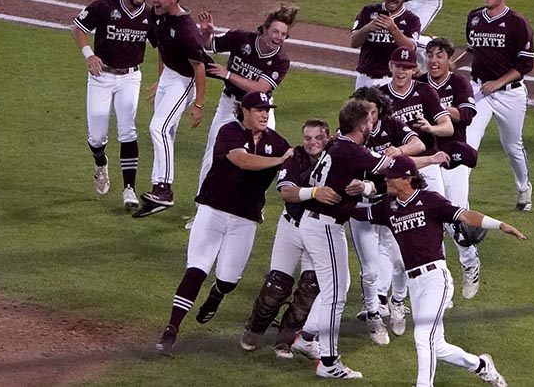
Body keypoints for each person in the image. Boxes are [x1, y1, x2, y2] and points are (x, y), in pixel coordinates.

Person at [356, 155, 525, 387]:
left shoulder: (430, 201)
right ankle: (482, 366)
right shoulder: (388, 207)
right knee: (437, 345)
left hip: (436, 278)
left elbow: (466, 215)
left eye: (391, 177)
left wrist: (501, 225)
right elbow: (359, 213)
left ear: (407, 179)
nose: (386, 180)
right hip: (414, 284)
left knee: (422, 336)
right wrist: (322, 200)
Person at [154, 91, 293, 355]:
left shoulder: (277, 142)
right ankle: (170, 330)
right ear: (244, 110)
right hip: (213, 210)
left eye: (267, 110)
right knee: (196, 270)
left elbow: (295, 161)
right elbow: (242, 160)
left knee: (229, 280)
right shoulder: (228, 131)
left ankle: (217, 294)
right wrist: (279, 161)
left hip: (245, 219)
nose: (265, 114)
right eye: (259, 109)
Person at [290, 98, 391, 379]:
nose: (373, 122)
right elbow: (390, 167)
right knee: (335, 296)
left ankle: (307, 337)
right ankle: (329, 362)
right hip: (324, 226)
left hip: (320, 223)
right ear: (362, 125)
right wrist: (429, 158)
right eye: (369, 119)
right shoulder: (351, 150)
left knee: (339, 284)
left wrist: (364, 187)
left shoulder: (338, 144)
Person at [238, 118, 337, 359]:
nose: (313, 142)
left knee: (310, 290)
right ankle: (255, 328)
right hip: (292, 228)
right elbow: (287, 192)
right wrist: (315, 192)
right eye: (308, 138)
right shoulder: (296, 157)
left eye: (318, 137)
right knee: (276, 287)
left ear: (329, 137)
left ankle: (285, 340)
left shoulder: (339, 159)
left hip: (321, 231)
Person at [346, 86, 425, 344]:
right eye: (363, 112)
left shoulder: (391, 125)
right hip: (363, 207)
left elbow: (418, 144)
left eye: (372, 111)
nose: (368, 118)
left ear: (379, 110)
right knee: (369, 270)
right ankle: (373, 315)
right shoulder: (350, 135)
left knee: (402, 262)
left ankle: (397, 301)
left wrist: (398, 151)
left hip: (390, 202)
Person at [71, 0, 153, 209]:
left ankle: (130, 189)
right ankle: (100, 163)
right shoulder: (104, 7)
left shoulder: (149, 17)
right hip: (101, 75)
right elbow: (78, 28)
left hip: (130, 77)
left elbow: (164, 47)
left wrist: (162, 78)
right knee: (96, 136)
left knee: (128, 130)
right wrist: (89, 55)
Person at [195, 5, 298, 187]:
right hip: (229, 104)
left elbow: (260, 88)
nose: (279, 38)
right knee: (214, 152)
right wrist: (207, 33)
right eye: (275, 32)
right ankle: (201, 206)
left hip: (260, 110)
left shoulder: (281, 60)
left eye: (283, 34)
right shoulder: (240, 38)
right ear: (264, 29)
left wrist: (228, 75)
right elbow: (209, 45)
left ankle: (255, 207)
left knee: (263, 157)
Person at [133, 0, 208, 218]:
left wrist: (198, 104)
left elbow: (199, 67)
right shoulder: (156, 13)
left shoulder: (187, 29)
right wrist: (160, 80)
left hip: (185, 81)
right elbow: (162, 49)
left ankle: (165, 190)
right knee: (166, 132)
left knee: (158, 128)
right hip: (169, 77)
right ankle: (157, 189)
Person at [416, 37, 483, 300]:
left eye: (439, 55)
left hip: (454, 160)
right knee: (433, 219)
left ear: (448, 60)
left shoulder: (458, 83)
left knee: (457, 220)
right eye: (430, 55)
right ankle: (440, 285)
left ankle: (470, 262)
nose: (433, 60)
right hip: (427, 160)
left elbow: (467, 114)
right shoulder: (419, 85)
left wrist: (439, 110)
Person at [462, 0, 534, 211]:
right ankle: (459, 198)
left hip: (510, 94)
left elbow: (525, 65)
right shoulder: (474, 18)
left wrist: (498, 82)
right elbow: (472, 50)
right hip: (479, 90)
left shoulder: (517, 23)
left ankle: (523, 187)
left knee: (512, 146)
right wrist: (452, 65)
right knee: (468, 143)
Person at [379, 47, 453, 195]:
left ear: (414, 70)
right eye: (398, 66)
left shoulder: (424, 91)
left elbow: (448, 127)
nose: (401, 72)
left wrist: (432, 129)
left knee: (437, 205)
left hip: (426, 160)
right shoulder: (380, 95)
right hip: (396, 165)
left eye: (406, 67)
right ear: (390, 66)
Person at [351, 0, 421, 88]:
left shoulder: (411, 19)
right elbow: (354, 42)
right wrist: (368, 28)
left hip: (390, 80)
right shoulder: (368, 11)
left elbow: (410, 48)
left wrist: (393, 30)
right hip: (365, 78)